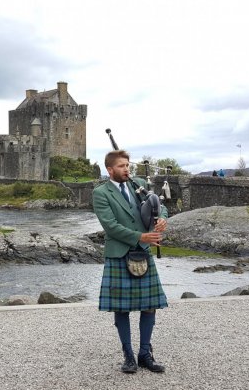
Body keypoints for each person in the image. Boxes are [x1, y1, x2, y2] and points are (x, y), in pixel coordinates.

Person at [93, 150, 168, 374]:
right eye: (121, 166)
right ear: (110, 170)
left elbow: (157, 204)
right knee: (121, 308)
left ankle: (145, 353)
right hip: (119, 253)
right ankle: (128, 356)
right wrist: (140, 236)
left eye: (128, 165)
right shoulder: (101, 193)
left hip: (143, 252)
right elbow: (110, 226)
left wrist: (162, 217)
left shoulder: (138, 184)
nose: (127, 169)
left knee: (150, 306)